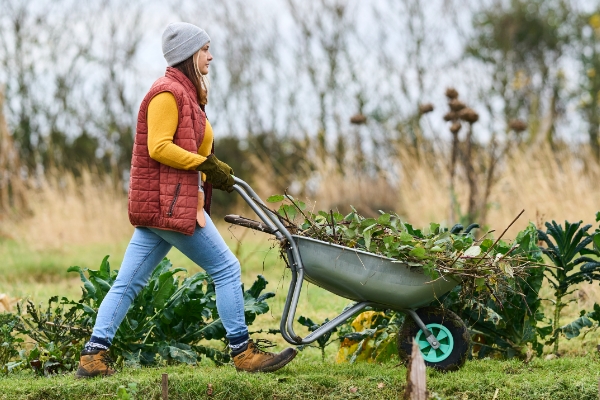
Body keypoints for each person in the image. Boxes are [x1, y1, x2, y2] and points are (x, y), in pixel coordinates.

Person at [75, 22, 297, 378]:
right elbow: (159, 147)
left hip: (167, 203)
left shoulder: (187, 94)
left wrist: (208, 170)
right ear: (189, 54)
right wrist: (205, 164)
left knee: (128, 283)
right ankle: (242, 351)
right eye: (205, 49)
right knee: (226, 269)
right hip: (169, 205)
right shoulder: (167, 93)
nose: (211, 55)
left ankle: (93, 355)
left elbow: (189, 147)